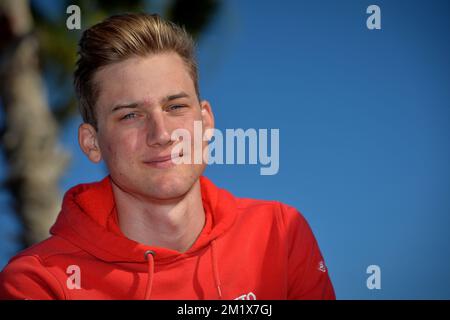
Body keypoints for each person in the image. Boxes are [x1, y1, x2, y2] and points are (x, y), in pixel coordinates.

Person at [0, 13, 335, 300]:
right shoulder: (40, 281)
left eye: (175, 107)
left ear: (206, 123)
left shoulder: (279, 233)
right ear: (92, 143)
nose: (161, 134)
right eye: (130, 115)